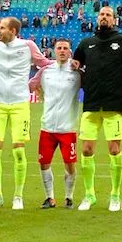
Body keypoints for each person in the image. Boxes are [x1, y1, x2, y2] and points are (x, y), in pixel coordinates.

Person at [0, 17, 51, 210]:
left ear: (12, 30)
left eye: (1, 28)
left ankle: (18, 196)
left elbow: (45, 63)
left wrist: (36, 80)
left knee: (19, 150)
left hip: (20, 104)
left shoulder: (28, 46)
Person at [73, 5, 122, 212]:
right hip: (90, 104)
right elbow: (75, 63)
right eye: (101, 14)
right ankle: (89, 195)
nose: (104, 17)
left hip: (113, 104)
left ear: (114, 20)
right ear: (97, 17)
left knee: (114, 149)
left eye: (108, 15)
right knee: (86, 149)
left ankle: (115, 195)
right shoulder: (86, 43)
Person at [30, 39, 81, 209]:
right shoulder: (45, 71)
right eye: (59, 48)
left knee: (69, 163)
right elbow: (31, 85)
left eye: (65, 48)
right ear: (53, 50)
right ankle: (49, 197)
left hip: (68, 127)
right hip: (47, 126)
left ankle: (69, 197)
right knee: (44, 163)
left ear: (70, 51)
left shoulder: (77, 73)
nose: (62, 51)